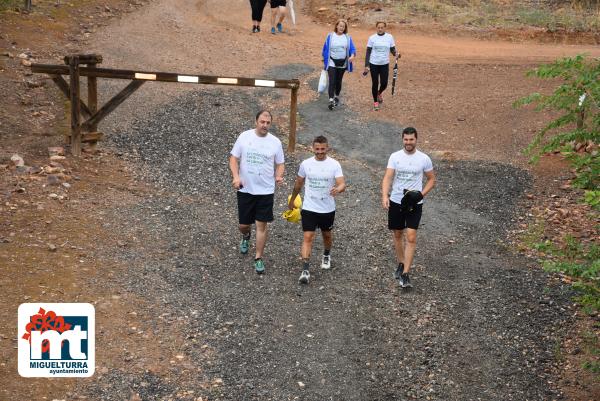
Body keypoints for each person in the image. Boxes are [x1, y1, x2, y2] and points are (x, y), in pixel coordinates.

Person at [230, 110, 285, 274]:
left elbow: (280, 163)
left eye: (268, 123)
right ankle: (246, 236)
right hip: (246, 188)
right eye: (262, 122)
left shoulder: (275, 142)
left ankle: (258, 257)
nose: (265, 125)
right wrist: (235, 177)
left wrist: (279, 176)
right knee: (243, 224)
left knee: (262, 225)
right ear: (256, 121)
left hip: (266, 191)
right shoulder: (244, 137)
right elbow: (233, 158)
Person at [381, 127, 436, 288]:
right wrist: (385, 196)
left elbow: (432, 179)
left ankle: (405, 273)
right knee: (398, 234)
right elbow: (388, 177)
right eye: (406, 139)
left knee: (411, 236)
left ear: (416, 139)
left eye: (411, 139)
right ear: (402, 139)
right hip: (397, 200)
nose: (408, 142)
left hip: (414, 203)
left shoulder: (424, 158)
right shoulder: (395, 157)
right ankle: (400, 262)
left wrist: (421, 194)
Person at [288, 136, 345, 284]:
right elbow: (298, 183)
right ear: (312, 148)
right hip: (309, 207)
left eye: (323, 149)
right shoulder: (306, 164)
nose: (320, 152)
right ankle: (305, 270)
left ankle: (326, 254)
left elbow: (342, 184)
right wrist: (293, 199)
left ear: (327, 148)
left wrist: (337, 189)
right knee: (308, 237)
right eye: (317, 149)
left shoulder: (334, 164)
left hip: (327, 208)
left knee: (326, 235)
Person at [321, 19, 356, 111]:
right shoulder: (330, 36)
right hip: (331, 61)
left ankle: (336, 96)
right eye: (340, 26)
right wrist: (325, 59)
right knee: (332, 80)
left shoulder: (347, 38)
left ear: (345, 28)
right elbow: (325, 49)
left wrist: (352, 56)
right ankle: (331, 100)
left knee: (338, 81)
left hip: (343, 62)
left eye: (343, 26)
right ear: (336, 26)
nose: (341, 28)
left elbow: (352, 49)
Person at [363, 21, 399, 111]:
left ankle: (379, 92)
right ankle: (375, 102)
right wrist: (367, 65)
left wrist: (396, 54)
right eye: (378, 27)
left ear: (385, 28)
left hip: (384, 64)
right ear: (376, 28)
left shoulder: (389, 37)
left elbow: (392, 49)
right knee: (375, 83)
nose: (380, 29)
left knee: (384, 83)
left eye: (382, 27)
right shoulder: (372, 38)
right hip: (374, 63)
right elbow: (368, 52)